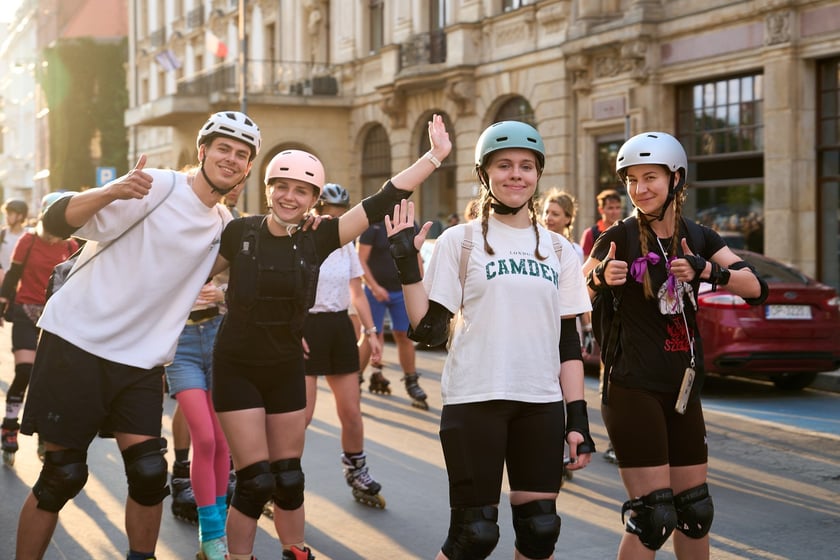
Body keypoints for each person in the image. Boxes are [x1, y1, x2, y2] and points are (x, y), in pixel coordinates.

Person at [14, 110, 261, 560]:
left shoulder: (224, 225)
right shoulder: (158, 186)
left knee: (150, 476)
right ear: (202, 151)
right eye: (223, 147)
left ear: (247, 169)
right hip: (78, 345)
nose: (231, 158)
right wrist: (112, 189)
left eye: (242, 154)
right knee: (61, 477)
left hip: (141, 361)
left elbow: (244, 267)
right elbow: (57, 222)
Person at [208, 114, 451, 560]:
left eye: (301, 190)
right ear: (268, 189)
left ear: (314, 199)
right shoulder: (240, 232)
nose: (289, 196)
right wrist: (204, 294)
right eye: (281, 186)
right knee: (256, 479)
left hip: (285, 365)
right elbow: (187, 280)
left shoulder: (321, 239)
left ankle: (295, 550)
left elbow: (382, 200)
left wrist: (433, 158)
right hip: (236, 365)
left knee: (288, 475)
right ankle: (235, 556)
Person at [385, 120, 595, 560]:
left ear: (538, 175)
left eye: (526, 166)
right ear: (485, 174)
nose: (515, 174)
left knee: (540, 532)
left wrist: (577, 419)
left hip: (540, 403)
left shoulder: (559, 250)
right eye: (504, 165)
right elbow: (428, 330)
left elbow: (567, 344)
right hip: (474, 399)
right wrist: (407, 262)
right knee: (473, 536)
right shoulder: (460, 242)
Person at [582, 131, 767, 559]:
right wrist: (597, 279)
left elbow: (756, 288)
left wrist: (707, 271)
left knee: (695, 511)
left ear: (676, 179)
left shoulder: (698, 236)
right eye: (631, 179)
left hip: (683, 388)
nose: (640, 189)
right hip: (632, 387)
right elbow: (565, 297)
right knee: (653, 516)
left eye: (651, 177)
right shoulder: (618, 238)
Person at [302, 182, 385, 509]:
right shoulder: (300, 240)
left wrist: (372, 331)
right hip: (305, 326)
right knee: (301, 416)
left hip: (338, 327)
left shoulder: (345, 246)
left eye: (340, 216)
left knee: (351, 412)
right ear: (316, 211)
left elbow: (356, 292)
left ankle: (356, 469)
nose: (334, 221)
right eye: (328, 214)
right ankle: (274, 471)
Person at [0, 193, 78, 467]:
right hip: (25, 311)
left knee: (50, 379)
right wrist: (1, 304)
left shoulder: (71, 245)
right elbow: (13, 275)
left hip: (56, 318)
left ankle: (46, 434)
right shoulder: (28, 240)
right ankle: (10, 424)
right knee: (24, 371)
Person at [165, 276, 230, 559]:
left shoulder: (221, 234)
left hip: (219, 335)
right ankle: (211, 531)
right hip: (180, 345)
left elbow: (246, 276)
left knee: (221, 439)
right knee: (204, 439)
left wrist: (223, 294)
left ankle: (219, 528)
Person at [358, 217, 428, 409]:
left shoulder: (410, 223)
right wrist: (373, 287)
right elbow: (361, 260)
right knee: (370, 334)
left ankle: (411, 382)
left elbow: (416, 256)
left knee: (404, 336)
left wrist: (419, 285)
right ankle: (355, 381)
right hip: (375, 291)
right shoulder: (373, 225)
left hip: (401, 290)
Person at [580, 188, 623, 258]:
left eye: (618, 208)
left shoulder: (626, 230)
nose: (615, 212)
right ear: (601, 210)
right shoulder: (590, 233)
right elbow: (585, 263)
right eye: (610, 208)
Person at [0, 198, 29, 282]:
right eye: (6, 214)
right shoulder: (2, 234)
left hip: (21, 284)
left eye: (10, 214)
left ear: (20, 216)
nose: (7, 217)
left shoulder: (29, 236)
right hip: (2, 282)